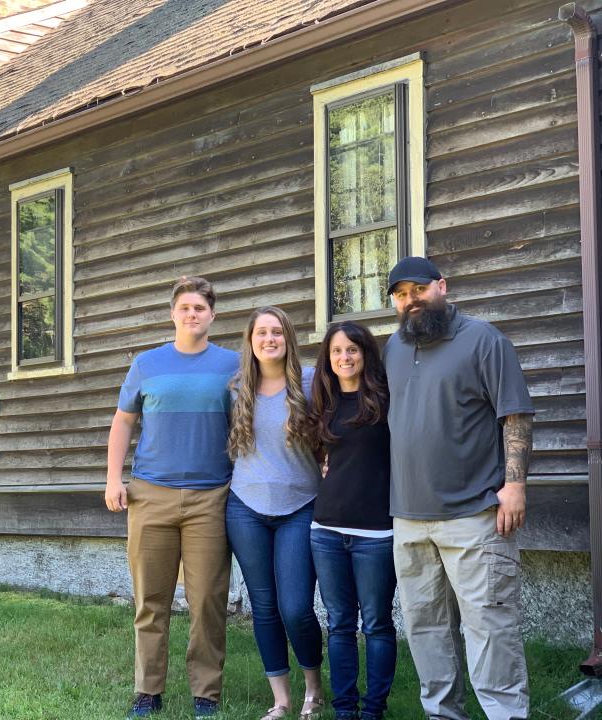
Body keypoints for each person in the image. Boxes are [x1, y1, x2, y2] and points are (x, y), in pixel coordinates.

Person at [384, 256, 534, 720]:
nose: (411, 300)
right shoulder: (393, 347)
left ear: (442, 287)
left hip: (474, 514)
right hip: (409, 517)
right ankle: (443, 714)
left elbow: (515, 414)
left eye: (419, 289)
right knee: (425, 628)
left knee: (489, 626)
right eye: (401, 293)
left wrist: (515, 485)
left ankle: (506, 714)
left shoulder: (483, 340)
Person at [104, 276, 239, 719]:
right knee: (151, 600)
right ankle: (148, 691)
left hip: (210, 498)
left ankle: (206, 693)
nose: (192, 314)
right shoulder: (147, 364)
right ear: (173, 314)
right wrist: (113, 478)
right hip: (150, 495)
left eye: (200, 307)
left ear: (212, 315)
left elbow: (255, 421)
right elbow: (123, 422)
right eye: (185, 307)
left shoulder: (233, 366)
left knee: (207, 601)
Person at [225, 306, 325, 720]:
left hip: (301, 506)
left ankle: (314, 691)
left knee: (297, 607)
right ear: (250, 341)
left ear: (288, 339)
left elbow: (333, 434)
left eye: (277, 332)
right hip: (245, 508)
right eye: (262, 332)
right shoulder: (236, 389)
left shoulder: (311, 382)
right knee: (263, 606)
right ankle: (281, 699)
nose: (269, 339)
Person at [308, 321, 395, 720]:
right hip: (325, 531)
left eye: (353, 350)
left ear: (366, 353)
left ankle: (373, 709)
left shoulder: (386, 398)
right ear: (328, 357)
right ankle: (345, 710)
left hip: (376, 533)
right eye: (337, 351)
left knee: (377, 625)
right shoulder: (321, 403)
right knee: (340, 625)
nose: (345, 357)